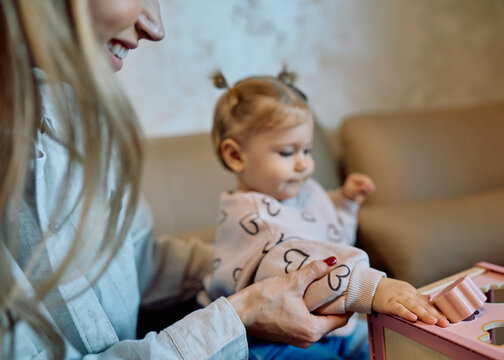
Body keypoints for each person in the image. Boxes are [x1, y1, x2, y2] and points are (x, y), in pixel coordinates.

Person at [0, 1, 353, 358]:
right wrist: (240, 315)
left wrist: (246, 264)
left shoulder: (82, 110)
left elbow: (140, 263)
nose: (156, 27)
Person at [203, 71, 450, 358]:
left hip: (330, 326)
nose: (303, 164)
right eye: (286, 152)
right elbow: (299, 261)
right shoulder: (254, 218)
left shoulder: (298, 192)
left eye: (306, 150)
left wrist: (343, 202)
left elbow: (324, 234)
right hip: (271, 341)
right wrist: (373, 288)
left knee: (389, 348)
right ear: (236, 156)